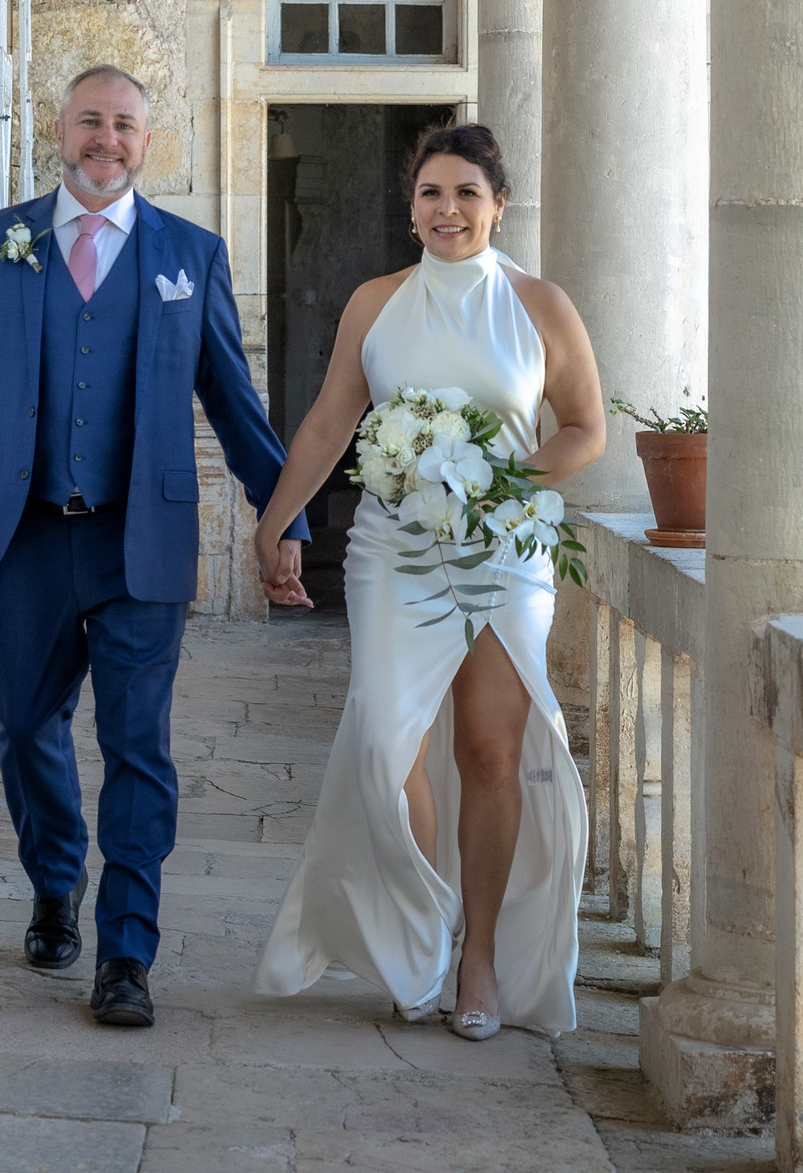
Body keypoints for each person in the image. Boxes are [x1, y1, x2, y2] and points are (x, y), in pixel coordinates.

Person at [0, 64, 308, 1030]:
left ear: (148, 139)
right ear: (61, 130)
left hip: (140, 540)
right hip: (24, 536)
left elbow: (235, 403)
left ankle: (126, 953)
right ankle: (55, 879)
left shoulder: (191, 254)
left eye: (126, 125)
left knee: (139, 746)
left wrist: (286, 516)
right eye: (91, 121)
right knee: (21, 721)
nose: (108, 139)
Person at [247, 123, 605, 1040]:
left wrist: (496, 479)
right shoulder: (377, 302)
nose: (447, 211)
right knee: (383, 744)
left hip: (504, 550)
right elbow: (332, 421)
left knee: (489, 752)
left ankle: (478, 953)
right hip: (391, 551)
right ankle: (422, 924)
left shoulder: (539, 304)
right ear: (411, 208)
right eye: (431, 195)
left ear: (499, 204)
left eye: (466, 195)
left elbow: (584, 431)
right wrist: (277, 518)